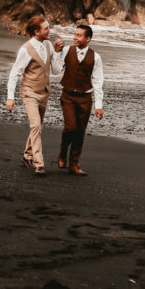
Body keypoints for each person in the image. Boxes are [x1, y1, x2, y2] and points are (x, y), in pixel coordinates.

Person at [6, 15, 64, 176]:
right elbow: (14, 74)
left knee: (37, 127)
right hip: (29, 92)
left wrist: (58, 52)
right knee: (36, 126)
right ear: (36, 31)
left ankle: (27, 156)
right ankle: (39, 164)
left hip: (44, 92)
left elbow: (56, 70)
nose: (49, 30)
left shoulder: (48, 45)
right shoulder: (26, 49)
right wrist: (10, 97)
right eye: (46, 28)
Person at [51, 24, 104, 176]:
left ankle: (74, 164)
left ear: (88, 39)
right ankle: (62, 151)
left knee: (80, 132)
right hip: (68, 95)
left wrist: (98, 106)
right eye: (75, 34)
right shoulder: (67, 50)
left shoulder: (95, 57)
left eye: (79, 35)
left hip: (85, 98)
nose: (75, 37)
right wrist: (56, 52)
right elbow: (55, 70)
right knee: (70, 127)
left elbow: (98, 81)